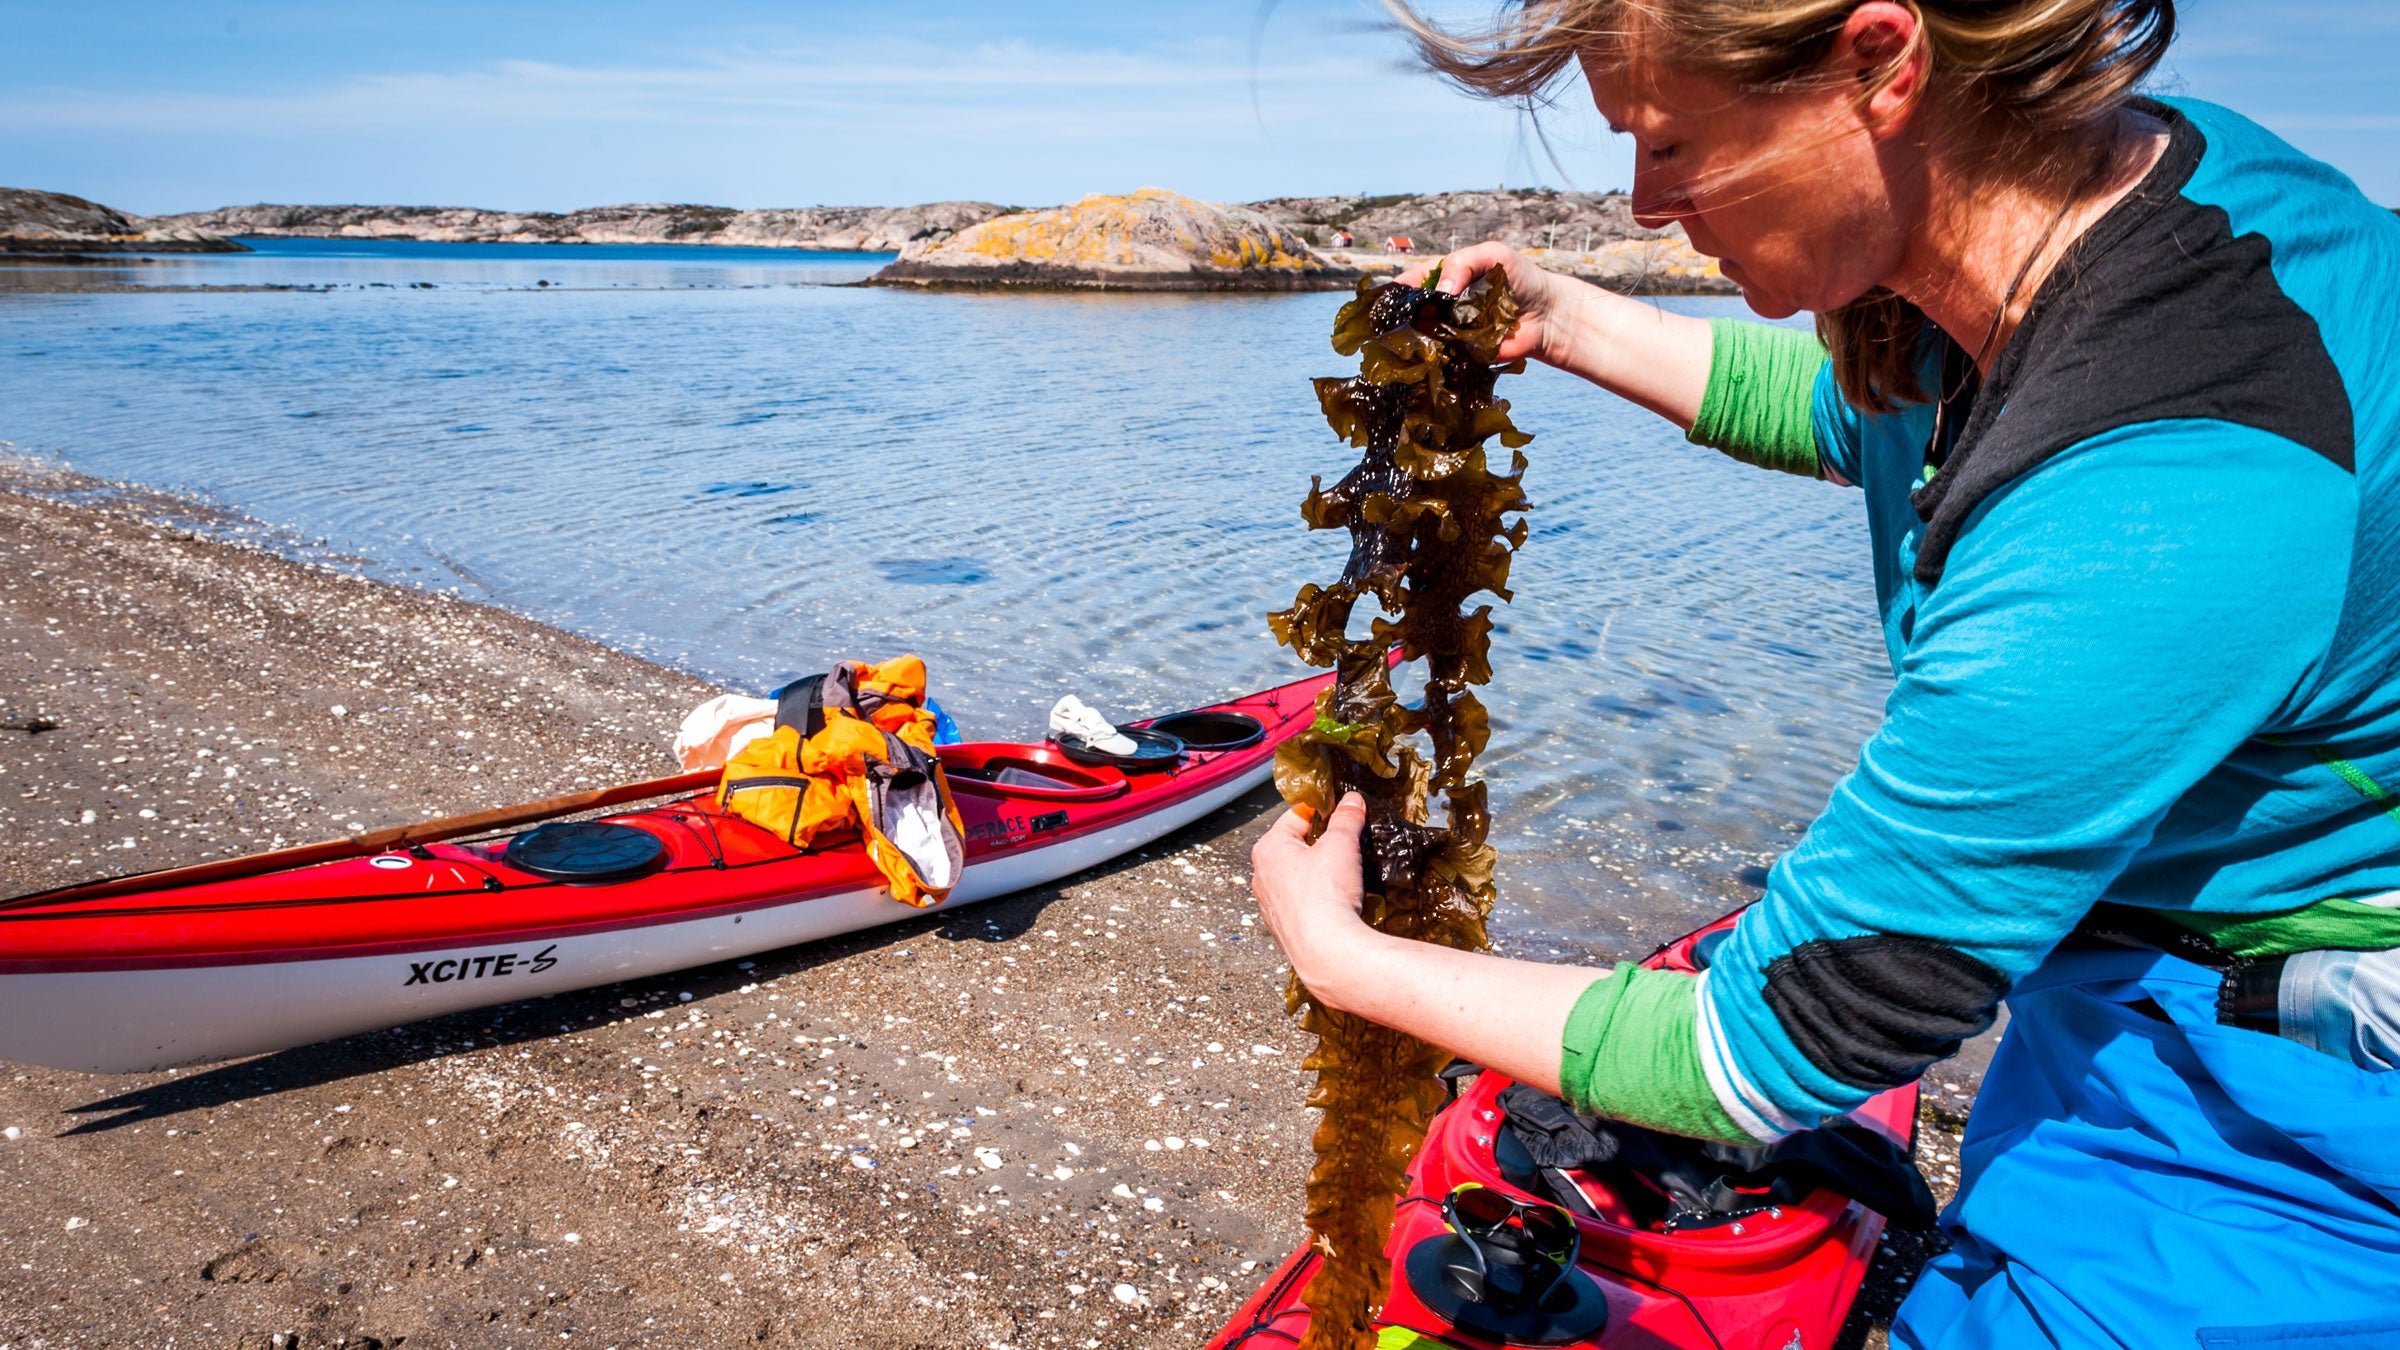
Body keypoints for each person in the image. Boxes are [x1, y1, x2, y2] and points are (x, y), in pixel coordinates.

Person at [1246, 1, 2400, 1345]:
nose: (1644, 199)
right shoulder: (2093, 192)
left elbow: (1774, 1049)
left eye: (1671, 144)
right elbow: (1856, 413)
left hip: (2298, 1107)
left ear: (1881, 62)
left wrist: (1342, 954)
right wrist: (1559, 319)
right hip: (2122, 983)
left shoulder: (2164, 479)